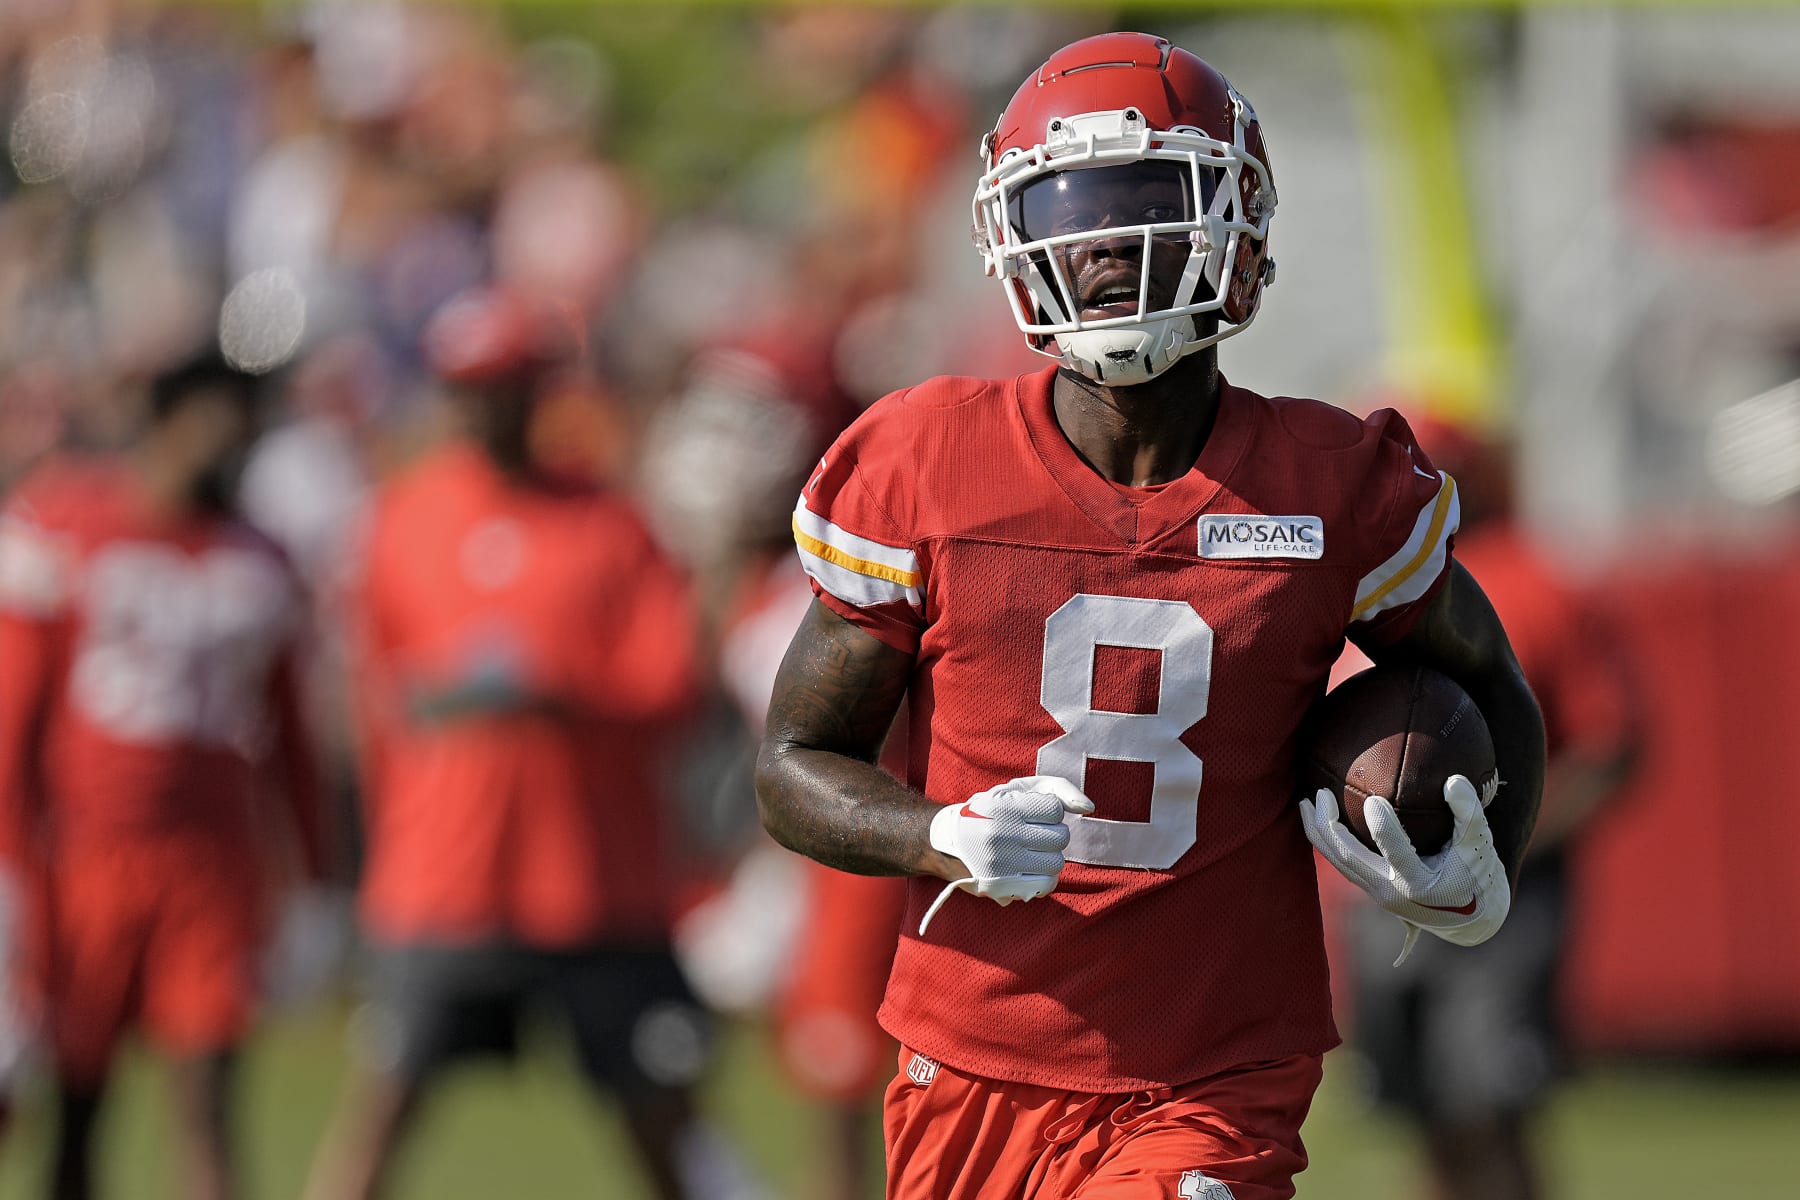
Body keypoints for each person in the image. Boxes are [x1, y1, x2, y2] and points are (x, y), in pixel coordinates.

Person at [754, 32, 1547, 1200]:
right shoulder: (924, 460)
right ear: (1014, 238)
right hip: (976, 1054)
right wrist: (939, 836)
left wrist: (1488, 862)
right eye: (1071, 210)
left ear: (1237, 227)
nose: (1110, 244)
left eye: (1148, 202)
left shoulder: (1335, 482)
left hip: (1216, 1062)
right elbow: (790, 764)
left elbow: (1491, 684)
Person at [302, 287, 754, 1200]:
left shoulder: (609, 523)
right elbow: (376, 699)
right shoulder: (403, 520)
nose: (488, 405)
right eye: (470, 386)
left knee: (664, 1120)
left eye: (506, 384)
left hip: (594, 876)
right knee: (381, 1112)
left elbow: (670, 690)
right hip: (445, 873)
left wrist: (563, 696)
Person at [0, 353, 328, 1200]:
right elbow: (17, 713)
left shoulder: (262, 556)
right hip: (85, 854)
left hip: (212, 864)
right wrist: (9, 865)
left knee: (209, 1107)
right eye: (215, 422)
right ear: (167, 421)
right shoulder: (69, 523)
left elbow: (291, 733)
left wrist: (317, 883)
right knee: (76, 1110)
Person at [1337, 419, 1641, 1200]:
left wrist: (1500, 848)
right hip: (1378, 891)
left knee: (1491, 1112)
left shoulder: (1537, 580)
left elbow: (1614, 746)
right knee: (1429, 1115)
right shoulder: (1343, 578)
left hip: (1503, 895)